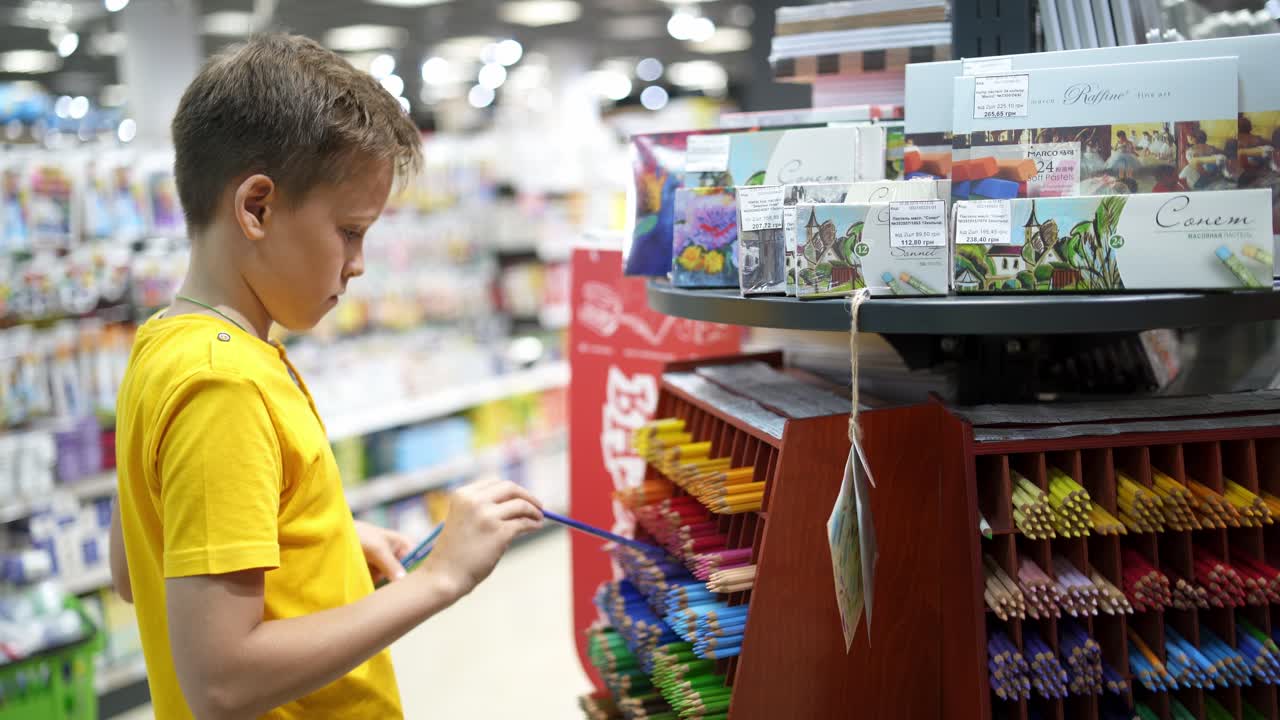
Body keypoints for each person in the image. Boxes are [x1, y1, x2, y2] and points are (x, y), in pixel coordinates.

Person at [107, 33, 545, 720]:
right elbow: (222, 683)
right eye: (349, 231)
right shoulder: (226, 385)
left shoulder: (163, 344)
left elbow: (138, 567)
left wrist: (332, 545)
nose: (359, 262)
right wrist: (440, 579)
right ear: (257, 208)